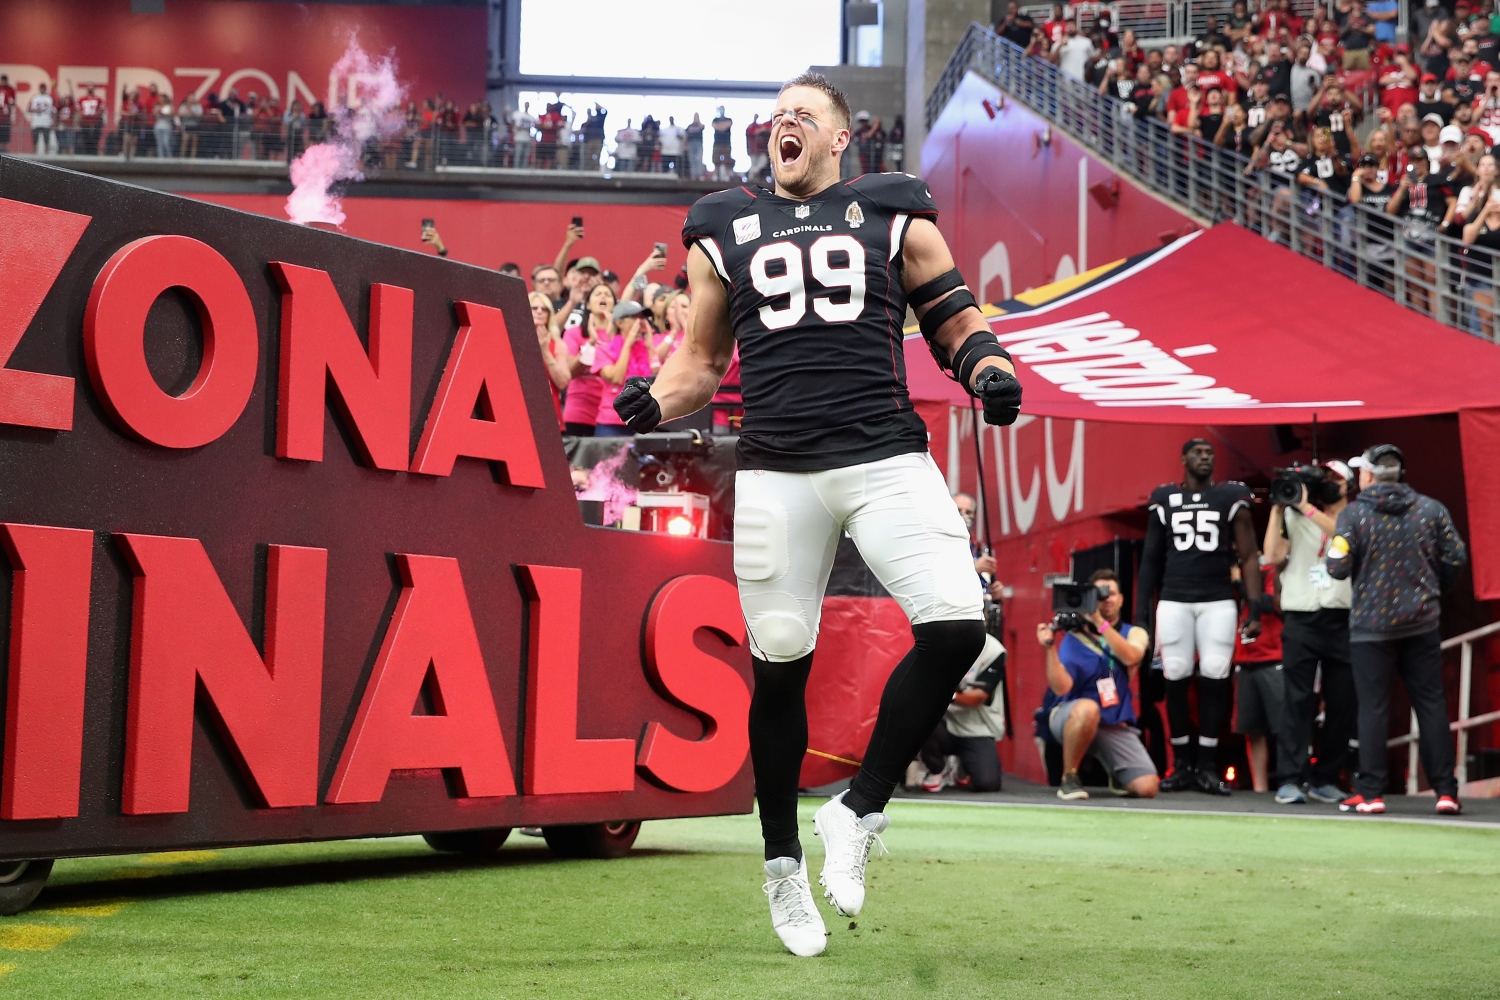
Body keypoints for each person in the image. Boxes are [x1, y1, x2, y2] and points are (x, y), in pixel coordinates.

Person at [611, 72, 1023, 957]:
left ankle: (859, 807)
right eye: (778, 114)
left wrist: (988, 369)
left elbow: (953, 316)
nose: (784, 123)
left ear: (843, 139)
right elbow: (702, 359)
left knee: (957, 626)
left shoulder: (891, 210)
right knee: (781, 666)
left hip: (884, 453)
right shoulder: (723, 223)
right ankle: (780, 868)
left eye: (806, 114)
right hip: (778, 472)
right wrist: (652, 398)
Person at [1328, 445, 1468, 815]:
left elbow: (1337, 567)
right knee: (1431, 705)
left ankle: (1371, 793)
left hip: (1371, 627)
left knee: (1372, 708)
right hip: (1421, 621)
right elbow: (1456, 556)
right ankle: (1446, 792)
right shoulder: (1431, 509)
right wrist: (1434, 587)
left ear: (1369, 476)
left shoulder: (1353, 515)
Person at [1136, 439, 1263, 796]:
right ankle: (1181, 764)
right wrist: (1141, 613)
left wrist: (1254, 605)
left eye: (1210, 453)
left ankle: (1207, 764)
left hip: (1218, 599)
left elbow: (1249, 555)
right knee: (1175, 675)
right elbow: (1150, 560)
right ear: (1183, 459)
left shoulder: (1229, 496)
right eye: (1198, 453)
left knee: (1216, 676)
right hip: (1175, 598)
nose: (1205, 458)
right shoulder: (1164, 498)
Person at [1265, 461, 1359, 805]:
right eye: (1324, 478)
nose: (1328, 483)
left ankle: (1327, 777)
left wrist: (1304, 508)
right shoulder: (1296, 515)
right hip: (1301, 617)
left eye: (1335, 478)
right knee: (1297, 700)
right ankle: (1289, 777)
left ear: (1349, 484)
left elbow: (1341, 534)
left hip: (1342, 617)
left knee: (1342, 703)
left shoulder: (1356, 516)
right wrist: (1279, 508)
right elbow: (1273, 555)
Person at [1038, 569, 1159, 801]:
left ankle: (1116, 772)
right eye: (1100, 594)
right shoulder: (1076, 637)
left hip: (1111, 721)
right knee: (1087, 709)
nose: (1107, 599)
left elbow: (1132, 657)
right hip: (1072, 716)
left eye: (1111, 593)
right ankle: (1069, 778)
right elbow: (1062, 688)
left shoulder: (1134, 633)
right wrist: (1050, 649)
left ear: (1121, 598)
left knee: (1146, 787)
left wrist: (1100, 623)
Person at [1231, 560, 1290, 794]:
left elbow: (1269, 603)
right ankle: (1260, 787)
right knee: (1251, 729)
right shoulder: (1237, 574)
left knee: (1283, 727)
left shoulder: (1272, 572)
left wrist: (1239, 581)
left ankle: (1290, 782)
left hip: (1273, 657)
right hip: (1245, 658)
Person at [28, 82, 55, 155]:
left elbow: (53, 111)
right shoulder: (35, 98)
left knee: (46, 140)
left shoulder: (49, 98)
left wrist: (53, 123)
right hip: (36, 122)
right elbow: (29, 109)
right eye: (41, 88)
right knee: (35, 140)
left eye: (43, 88)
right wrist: (37, 110)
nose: (42, 89)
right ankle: (34, 154)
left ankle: (46, 155)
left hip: (46, 122)